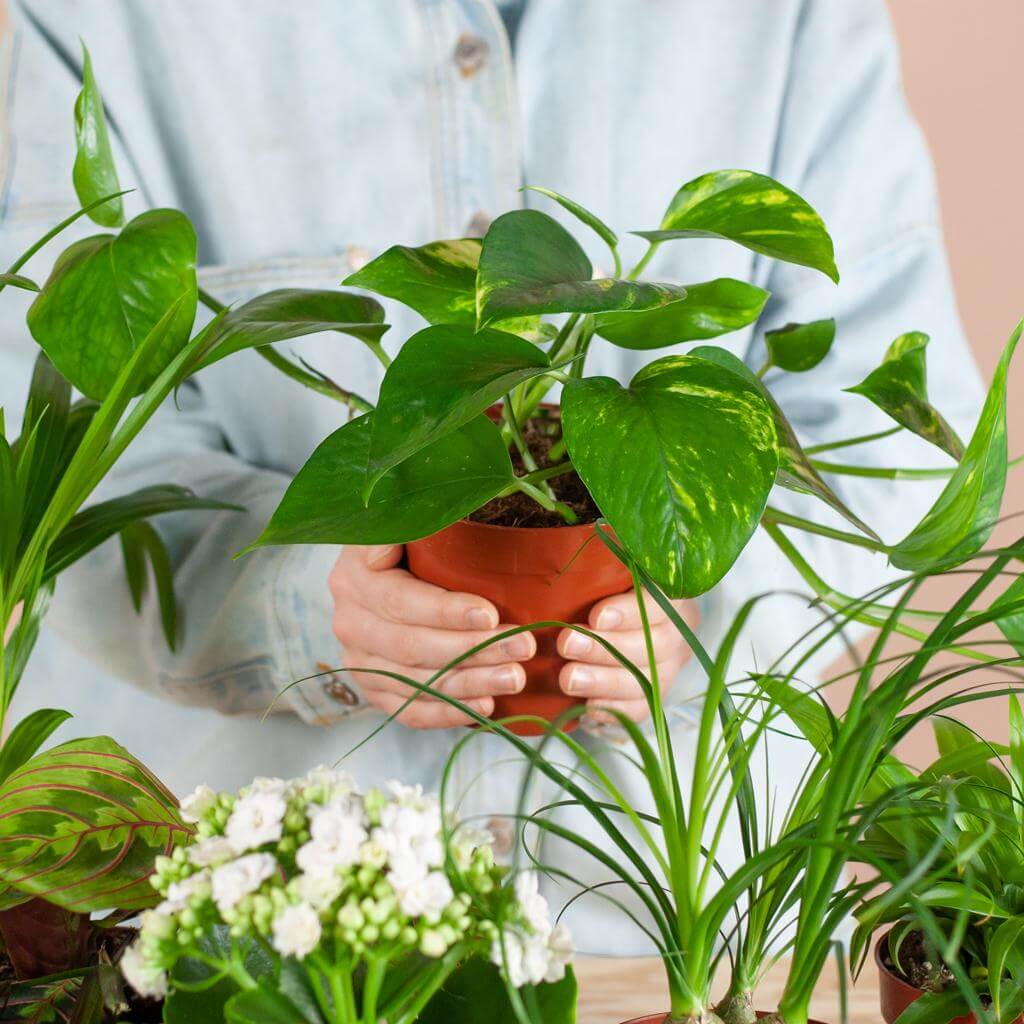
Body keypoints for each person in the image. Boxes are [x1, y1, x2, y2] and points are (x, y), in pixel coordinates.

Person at [0, 0, 983, 949]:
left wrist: (713, 600)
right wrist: (308, 604)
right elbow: (58, 466)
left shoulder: (786, 15)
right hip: (259, 907)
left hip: (664, 924)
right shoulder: (112, 14)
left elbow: (888, 431)